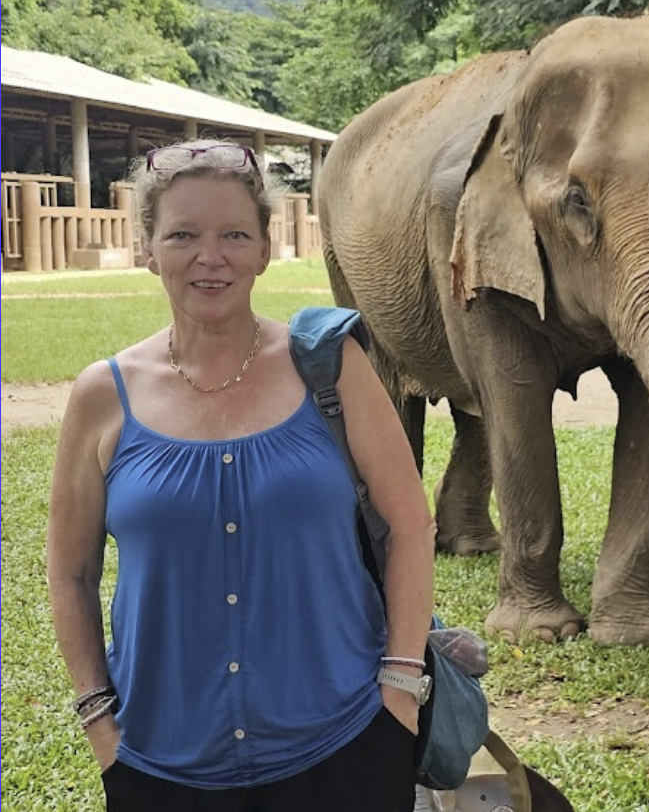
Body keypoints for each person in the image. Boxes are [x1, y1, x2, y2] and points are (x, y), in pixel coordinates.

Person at [47, 139, 436, 812]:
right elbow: (70, 573)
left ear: (264, 249)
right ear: (148, 250)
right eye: (183, 235)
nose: (210, 257)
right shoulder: (101, 397)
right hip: (160, 763)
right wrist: (98, 722)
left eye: (234, 234)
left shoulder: (331, 369)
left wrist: (399, 692)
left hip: (344, 745)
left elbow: (408, 524)